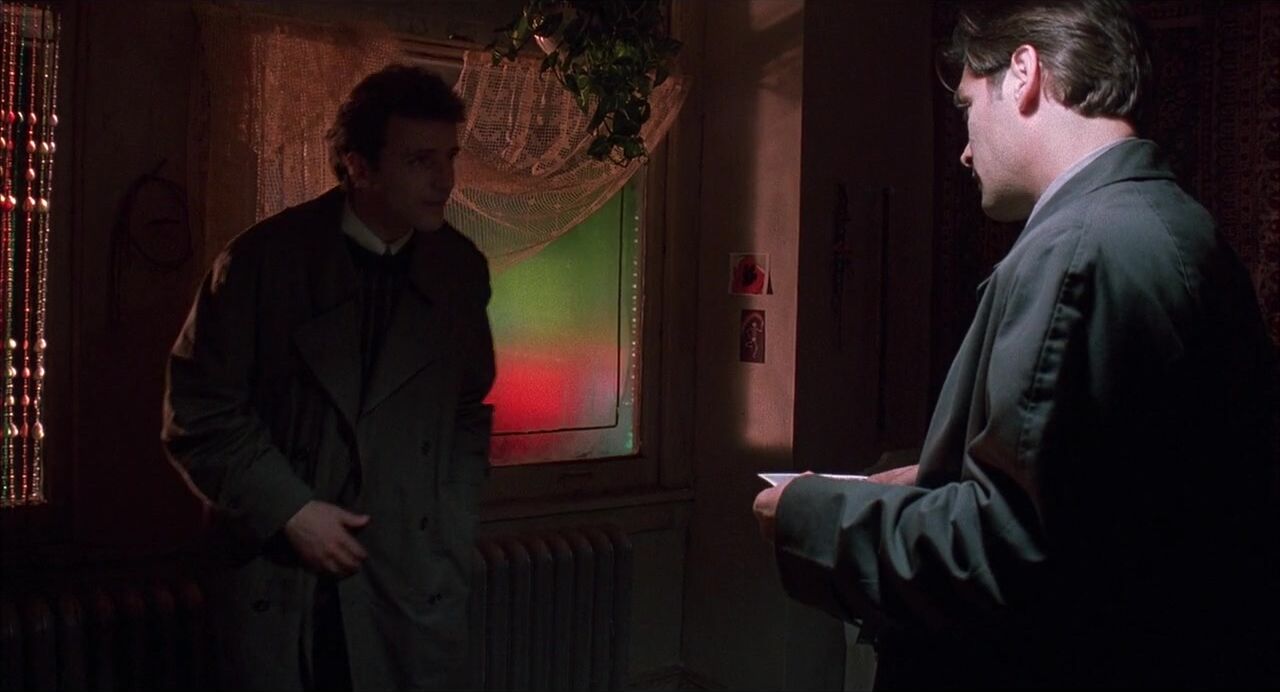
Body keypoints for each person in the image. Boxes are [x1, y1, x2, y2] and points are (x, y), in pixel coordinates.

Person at [753, 1, 1278, 688]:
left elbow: (1005, 558)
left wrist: (809, 515)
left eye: (968, 106)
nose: (965, 150)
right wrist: (938, 478)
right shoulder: (1172, 225)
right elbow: (1101, 500)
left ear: (1024, 73)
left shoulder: (1083, 252)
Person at [163, 64, 495, 691]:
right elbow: (199, 410)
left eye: (449, 157)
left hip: (407, 574)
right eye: (420, 160)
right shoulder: (263, 262)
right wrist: (289, 510)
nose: (445, 180)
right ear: (358, 167)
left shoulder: (458, 270)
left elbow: (466, 408)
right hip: (282, 576)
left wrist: (449, 520)